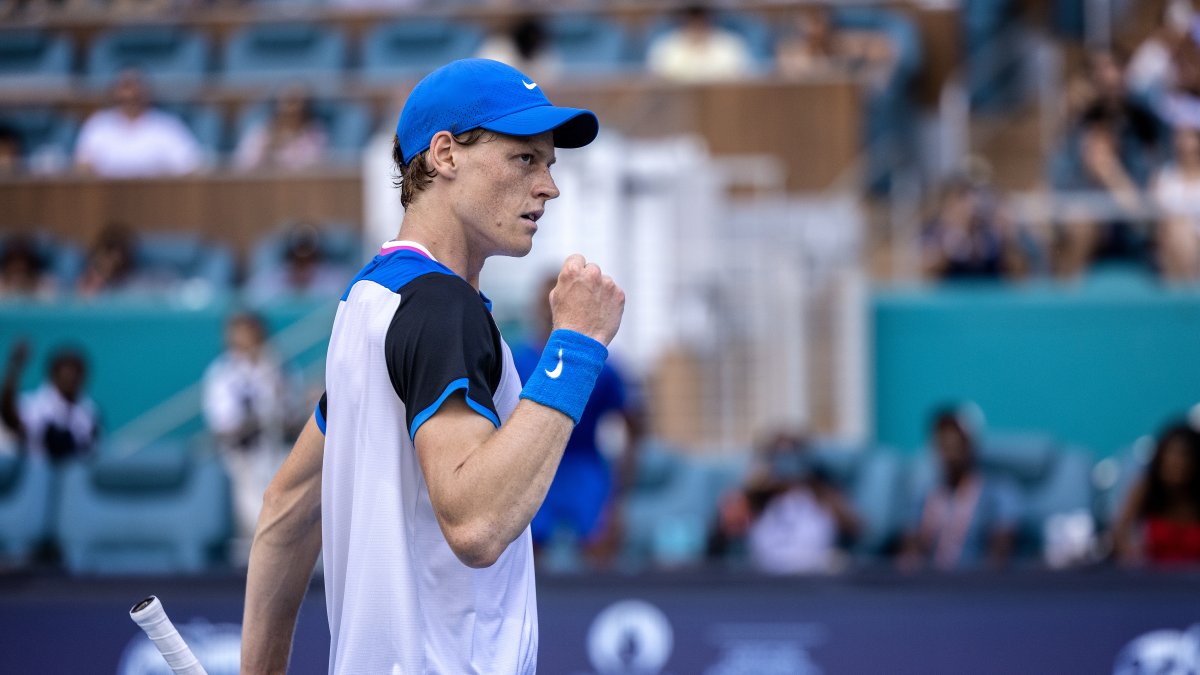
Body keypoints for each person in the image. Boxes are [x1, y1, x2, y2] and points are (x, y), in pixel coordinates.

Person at [240, 59, 619, 674]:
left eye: (550, 163)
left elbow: (286, 510)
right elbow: (476, 523)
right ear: (444, 154)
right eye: (525, 158)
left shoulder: (370, 299)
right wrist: (576, 347)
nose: (549, 185)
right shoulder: (443, 309)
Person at [512, 273, 639, 565]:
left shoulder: (601, 365)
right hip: (532, 467)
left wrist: (618, 495)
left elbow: (634, 425)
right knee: (525, 560)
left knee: (601, 555)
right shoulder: (517, 361)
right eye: (544, 305)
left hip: (584, 468)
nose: (549, 313)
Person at [202, 311, 289, 564]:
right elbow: (223, 425)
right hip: (238, 459)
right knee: (252, 521)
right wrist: (259, 418)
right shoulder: (221, 372)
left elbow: (290, 415)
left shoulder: (275, 366)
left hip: (274, 454)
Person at [710, 430, 861, 575]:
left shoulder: (825, 495)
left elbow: (854, 528)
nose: (786, 465)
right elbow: (726, 535)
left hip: (816, 583)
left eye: (791, 457)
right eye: (779, 457)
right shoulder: (752, 500)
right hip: (763, 583)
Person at [899, 407, 1020, 571]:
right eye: (943, 443)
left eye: (956, 443)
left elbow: (1000, 553)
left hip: (975, 586)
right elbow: (910, 550)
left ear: (970, 444)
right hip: (929, 587)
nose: (949, 451)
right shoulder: (924, 493)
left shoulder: (998, 491)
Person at [73, 68, 202, 177]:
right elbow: (82, 168)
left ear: (146, 93)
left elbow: (192, 168)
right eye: (124, 88)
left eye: (135, 94)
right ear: (114, 93)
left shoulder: (167, 126)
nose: (129, 97)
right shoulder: (98, 125)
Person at [1113, 422, 1200, 566]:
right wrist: (1131, 557)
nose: (1176, 462)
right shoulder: (1144, 489)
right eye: (1170, 454)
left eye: (1184, 455)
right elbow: (1120, 532)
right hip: (1153, 582)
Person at [0, 340, 98, 463]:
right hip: (36, 469)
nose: (71, 377)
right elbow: (10, 418)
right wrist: (15, 367)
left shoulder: (88, 410)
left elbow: (92, 449)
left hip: (74, 471)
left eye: (76, 372)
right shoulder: (35, 405)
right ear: (53, 374)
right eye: (66, 372)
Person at [245, 221, 354, 304]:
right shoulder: (269, 280)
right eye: (297, 260)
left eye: (309, 259)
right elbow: (251, 297)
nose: (303, 264)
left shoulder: (337, 279)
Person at [646, 4, 754, 83]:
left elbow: (742, 77)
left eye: (702, 15)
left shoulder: (731, 44)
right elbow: (658, 77)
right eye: (692, 16)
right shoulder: (665, 45)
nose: (697, 21)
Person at [234, 86, 330, 171]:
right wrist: (266, 150)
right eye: (288, 100)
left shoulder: (315, 132)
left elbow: (317, 165)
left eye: (296, 100)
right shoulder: (261, 132)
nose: (291, 108)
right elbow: (243, 166)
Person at [1154, 125, 1200, 281]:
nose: (1184, 143)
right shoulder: (1163, 176)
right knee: (1179, 229)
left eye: (1189, 137)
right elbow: (1155, 216)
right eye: (1180, 137)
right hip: (1171, 242)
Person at [476, 16, 562, 84]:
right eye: (531, 39)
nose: (535, 42)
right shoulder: (497, 50)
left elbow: (551, 82)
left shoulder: (545, 54)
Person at [0, 234, 55, 298]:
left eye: (21, 270)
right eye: (14, 271)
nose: (18, 277)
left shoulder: (45, 286)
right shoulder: (1, 286)